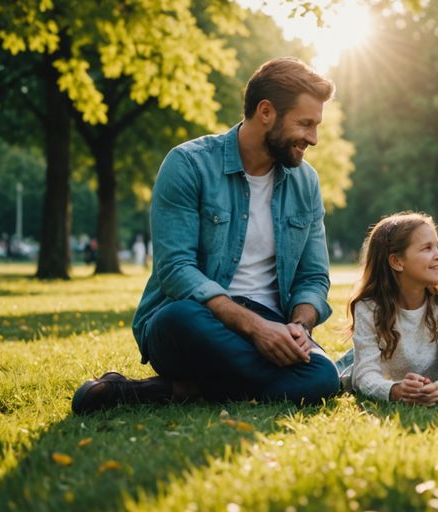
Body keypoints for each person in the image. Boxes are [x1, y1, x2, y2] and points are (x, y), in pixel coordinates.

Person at [71, 57, 340, 414]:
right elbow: (176, 269)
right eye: (305, 124)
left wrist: (297, 327)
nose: (313, 138)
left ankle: (173, 390)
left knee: (324, 378)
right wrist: (255, 330)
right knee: (176, 319)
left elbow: (313, 276)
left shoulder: (306, 182)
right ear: (265, 112)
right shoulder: (188, 164)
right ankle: (243, 380)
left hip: (274, 325)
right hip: (198, 319)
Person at [340, 213, 438, 405]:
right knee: (340, 373)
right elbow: (364, 375)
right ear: (397, 261)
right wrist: (393, 390)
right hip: (364, 368)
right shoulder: (368, 307)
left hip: (430, 383)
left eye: (437, 246)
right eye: (427, 248)